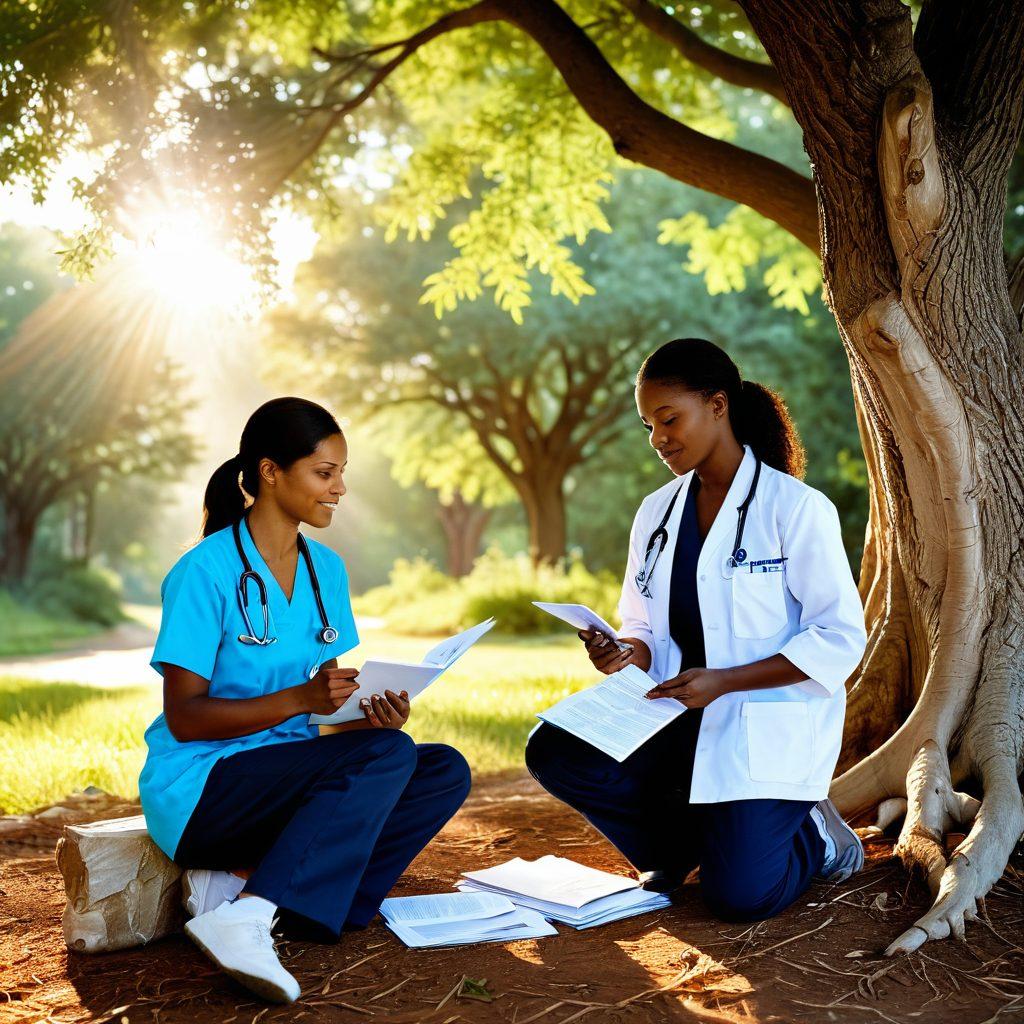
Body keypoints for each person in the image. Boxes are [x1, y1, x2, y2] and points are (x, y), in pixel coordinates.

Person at [138, 397, 471, 1003]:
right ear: (270, 472)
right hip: (203, 789)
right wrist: (300, 699)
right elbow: (185, 718)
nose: (340, 488)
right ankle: (252, 912)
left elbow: (322, 711)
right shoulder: (204, 572)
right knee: (387, 756)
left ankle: (300, 906)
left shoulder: (326, 570)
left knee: (438, 767)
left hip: (283, 775)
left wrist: (367, 716)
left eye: (342, 473)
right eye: (325, 472)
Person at [526, 338, 867, 923]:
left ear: (717, 405)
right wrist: (622, 651)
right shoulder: (655, 513)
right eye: (648, 426)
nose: (658, 439)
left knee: (740, 899)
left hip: (760, 725)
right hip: (676, 716)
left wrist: (726, 682)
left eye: (669, 419)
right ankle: (673, 850)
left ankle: (818, 832)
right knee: (558, 751)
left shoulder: (795, 509)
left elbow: (838, 636)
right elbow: (642, 625)